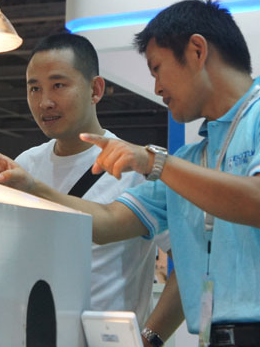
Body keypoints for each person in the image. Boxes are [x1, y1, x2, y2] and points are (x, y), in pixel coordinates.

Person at [0, 0, 260, 347]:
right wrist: (32, 187)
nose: (156, 88)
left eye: (157, 69)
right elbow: (109, 221)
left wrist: (156, 163)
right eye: (34, 88)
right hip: (216, 336)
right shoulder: (192, 158)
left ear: (197, 51)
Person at [12, 33, 171, 326]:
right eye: (34, 88)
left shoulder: (135, 169)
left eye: (58, 85)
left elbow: (188, 263)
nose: (44, 102)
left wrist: (149, 338)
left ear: (95, 89)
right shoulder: (25, 166)